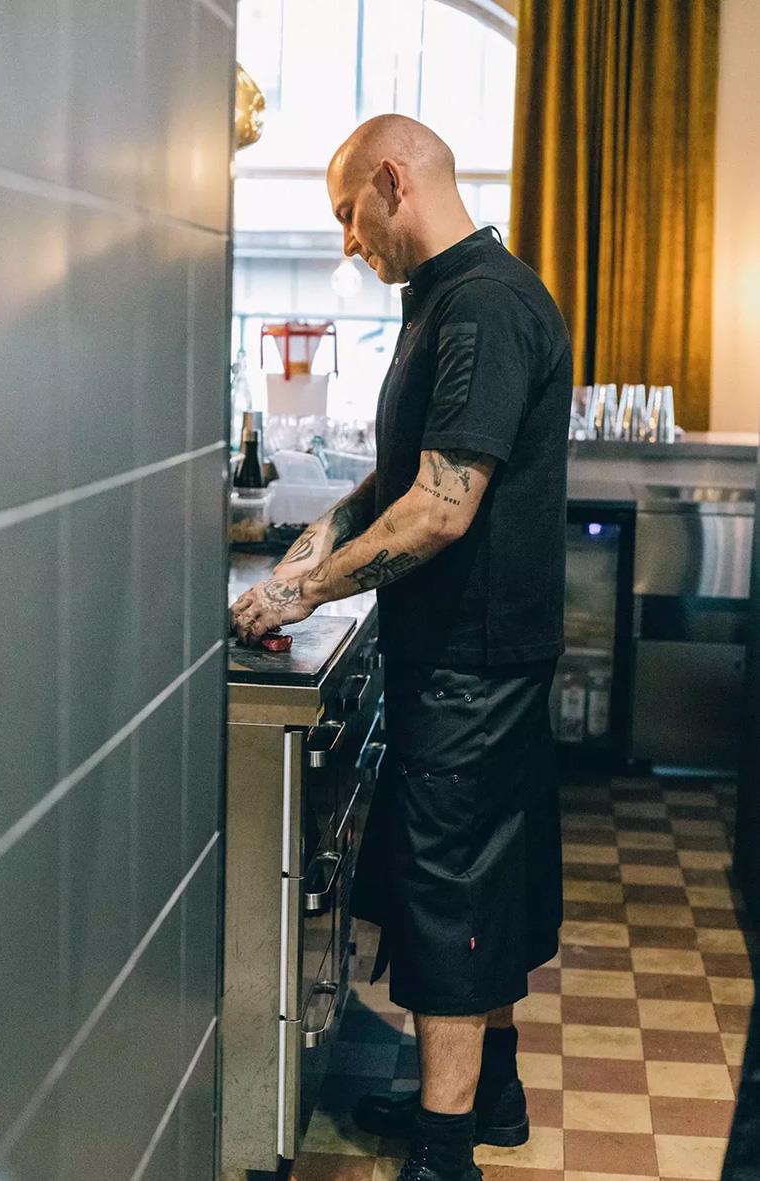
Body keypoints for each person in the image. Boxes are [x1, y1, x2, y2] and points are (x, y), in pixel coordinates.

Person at [230, 114, 572, 1181]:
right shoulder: (451, 297)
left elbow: (441, 506)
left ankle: (442, 1148)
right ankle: (491, 1097)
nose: (347, 241)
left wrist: (301, 592)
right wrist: (308, 552)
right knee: (485, 879)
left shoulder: (483, 307)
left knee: (450, 893)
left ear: (392, 180)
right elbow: (405, 472)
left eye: (347, 213)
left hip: (473, 658)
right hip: (478, 651)